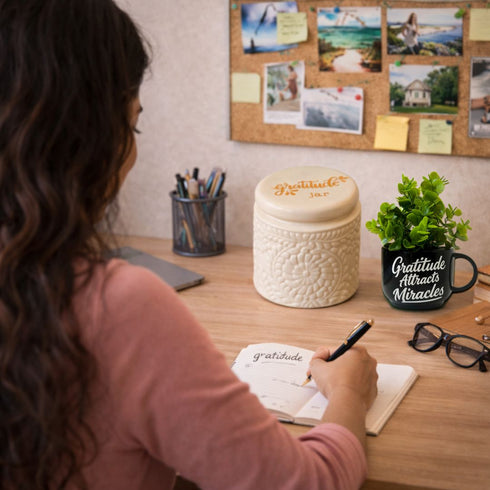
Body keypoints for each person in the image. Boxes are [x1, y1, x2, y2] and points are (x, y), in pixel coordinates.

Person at [0, 1, 378, 489]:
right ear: (90, 136)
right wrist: (348, 390)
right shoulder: (118, 308)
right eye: (131, 124)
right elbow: (310, 483)